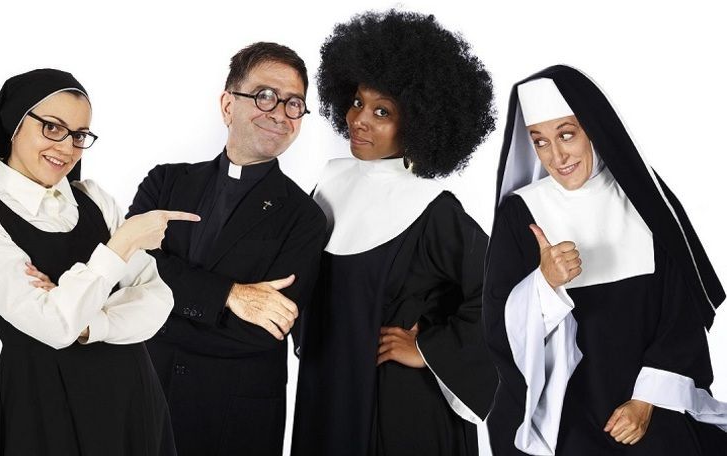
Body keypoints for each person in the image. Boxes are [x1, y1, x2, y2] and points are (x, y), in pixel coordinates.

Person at [0, 68, 198, 455]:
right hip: (43, 406)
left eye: (79, 135)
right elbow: (53, 326)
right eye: (52, 127)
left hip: (133, 398)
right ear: (14, 124)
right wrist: (121, 245)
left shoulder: (93, 198)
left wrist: (89, 323)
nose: (67, 148)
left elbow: (158, 300)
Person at [483, 65, 727, 455]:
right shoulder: (521, 213)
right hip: (563, 414)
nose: (556, 156)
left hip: (651, 403)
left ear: (593, 129)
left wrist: (645, 401)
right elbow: (498, 328)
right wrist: (544, 285)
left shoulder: (645, 201)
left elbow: (681, 315)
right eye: (540, 141)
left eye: (566, 135)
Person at [291, 10, 498, 456]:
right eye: (357, 102)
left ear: (419, 124)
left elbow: (500, 289)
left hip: (402, 407)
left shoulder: (432, 208)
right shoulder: (328, 185)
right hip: (329, 391)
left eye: (382, 111)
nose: (359, 119)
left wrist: (429, 349)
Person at [127, 42, 327, 456]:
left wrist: (148, 316)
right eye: (265, 95)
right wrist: (229, 295)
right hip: (144, 395)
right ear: (227, 105)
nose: (280, 113)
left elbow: (263, 331)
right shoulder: (165, 183)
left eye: (294, 103)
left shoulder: (305, 216)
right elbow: (127, 270)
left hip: (234, 416)